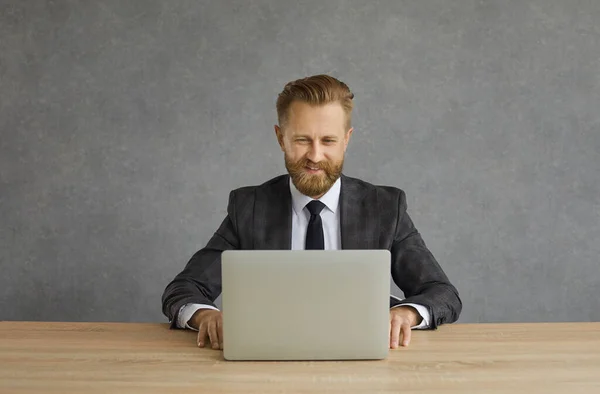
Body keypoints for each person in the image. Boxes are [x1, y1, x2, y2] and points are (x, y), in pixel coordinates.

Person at [161, 74, 462, 351]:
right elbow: (184, 289)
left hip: (363, 362)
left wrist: (407, 313)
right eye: (302, 140)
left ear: (347, 139)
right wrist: (206, 316)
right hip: (269, 359)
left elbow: (442, 293)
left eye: (328, 140)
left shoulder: (384, 207)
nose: (315, 156)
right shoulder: (249, 207)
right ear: (281, 138)